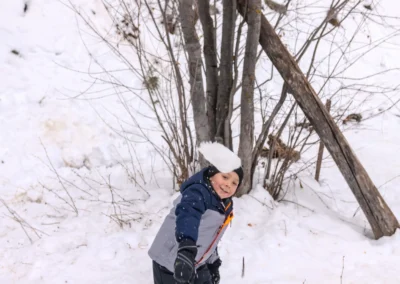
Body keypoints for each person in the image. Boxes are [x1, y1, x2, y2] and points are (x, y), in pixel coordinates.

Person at [148, 164, 244, 284]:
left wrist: (212, 261)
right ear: (211, 175)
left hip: (196, 261)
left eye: (234, 183)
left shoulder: (224, 205)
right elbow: (188, 216)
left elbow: (211, 234)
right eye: (225, 177)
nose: (228, 184)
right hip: (171, 260)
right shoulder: (197, 192)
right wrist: (186, 249)